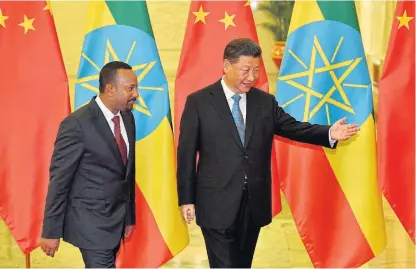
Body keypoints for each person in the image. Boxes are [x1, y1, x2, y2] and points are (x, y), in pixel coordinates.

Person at [176, 38, 359, 268]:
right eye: (245, 70)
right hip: (215, 200)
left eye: (256, 70)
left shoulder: (264, 102)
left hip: (253, 202)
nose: (251, 77)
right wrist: (186, 199)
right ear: (226, 66)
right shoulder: (199, 102)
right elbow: (186, 154)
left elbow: (294, 128)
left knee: (243, 263)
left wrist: (329, 133)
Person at [40, 61, 139, 268]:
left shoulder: (128, 118)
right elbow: (59, 180)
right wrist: (51, 231)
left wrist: (129, 216)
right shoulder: (77, 124)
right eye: (130, 88)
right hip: (90, 223)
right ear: (110, 89)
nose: (136, 94)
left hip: (117, 221)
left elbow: (127, 174)